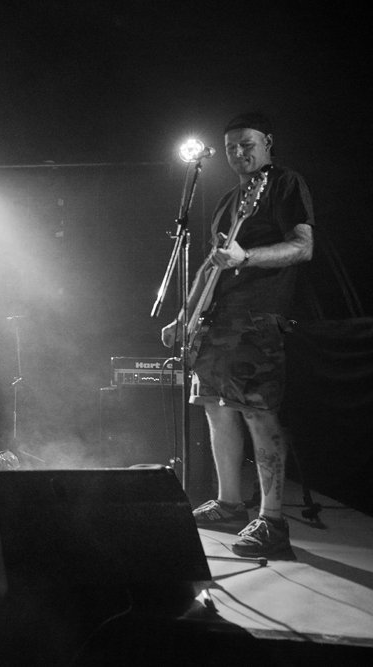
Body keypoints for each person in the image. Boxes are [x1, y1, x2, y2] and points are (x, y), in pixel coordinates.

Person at [161, 113, 314, 558]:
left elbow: (302, 246)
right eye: (231, 147)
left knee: (257, 413)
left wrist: (247, 256)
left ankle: (272, 520)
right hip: (217, 319)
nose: (238, 153)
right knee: (215, 408)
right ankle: (229, 504)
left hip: (258, 316)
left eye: (247, 144)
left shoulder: (284, 184)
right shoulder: (229, 199)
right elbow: (212, 264)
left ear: (268, 142)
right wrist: (185, 316)